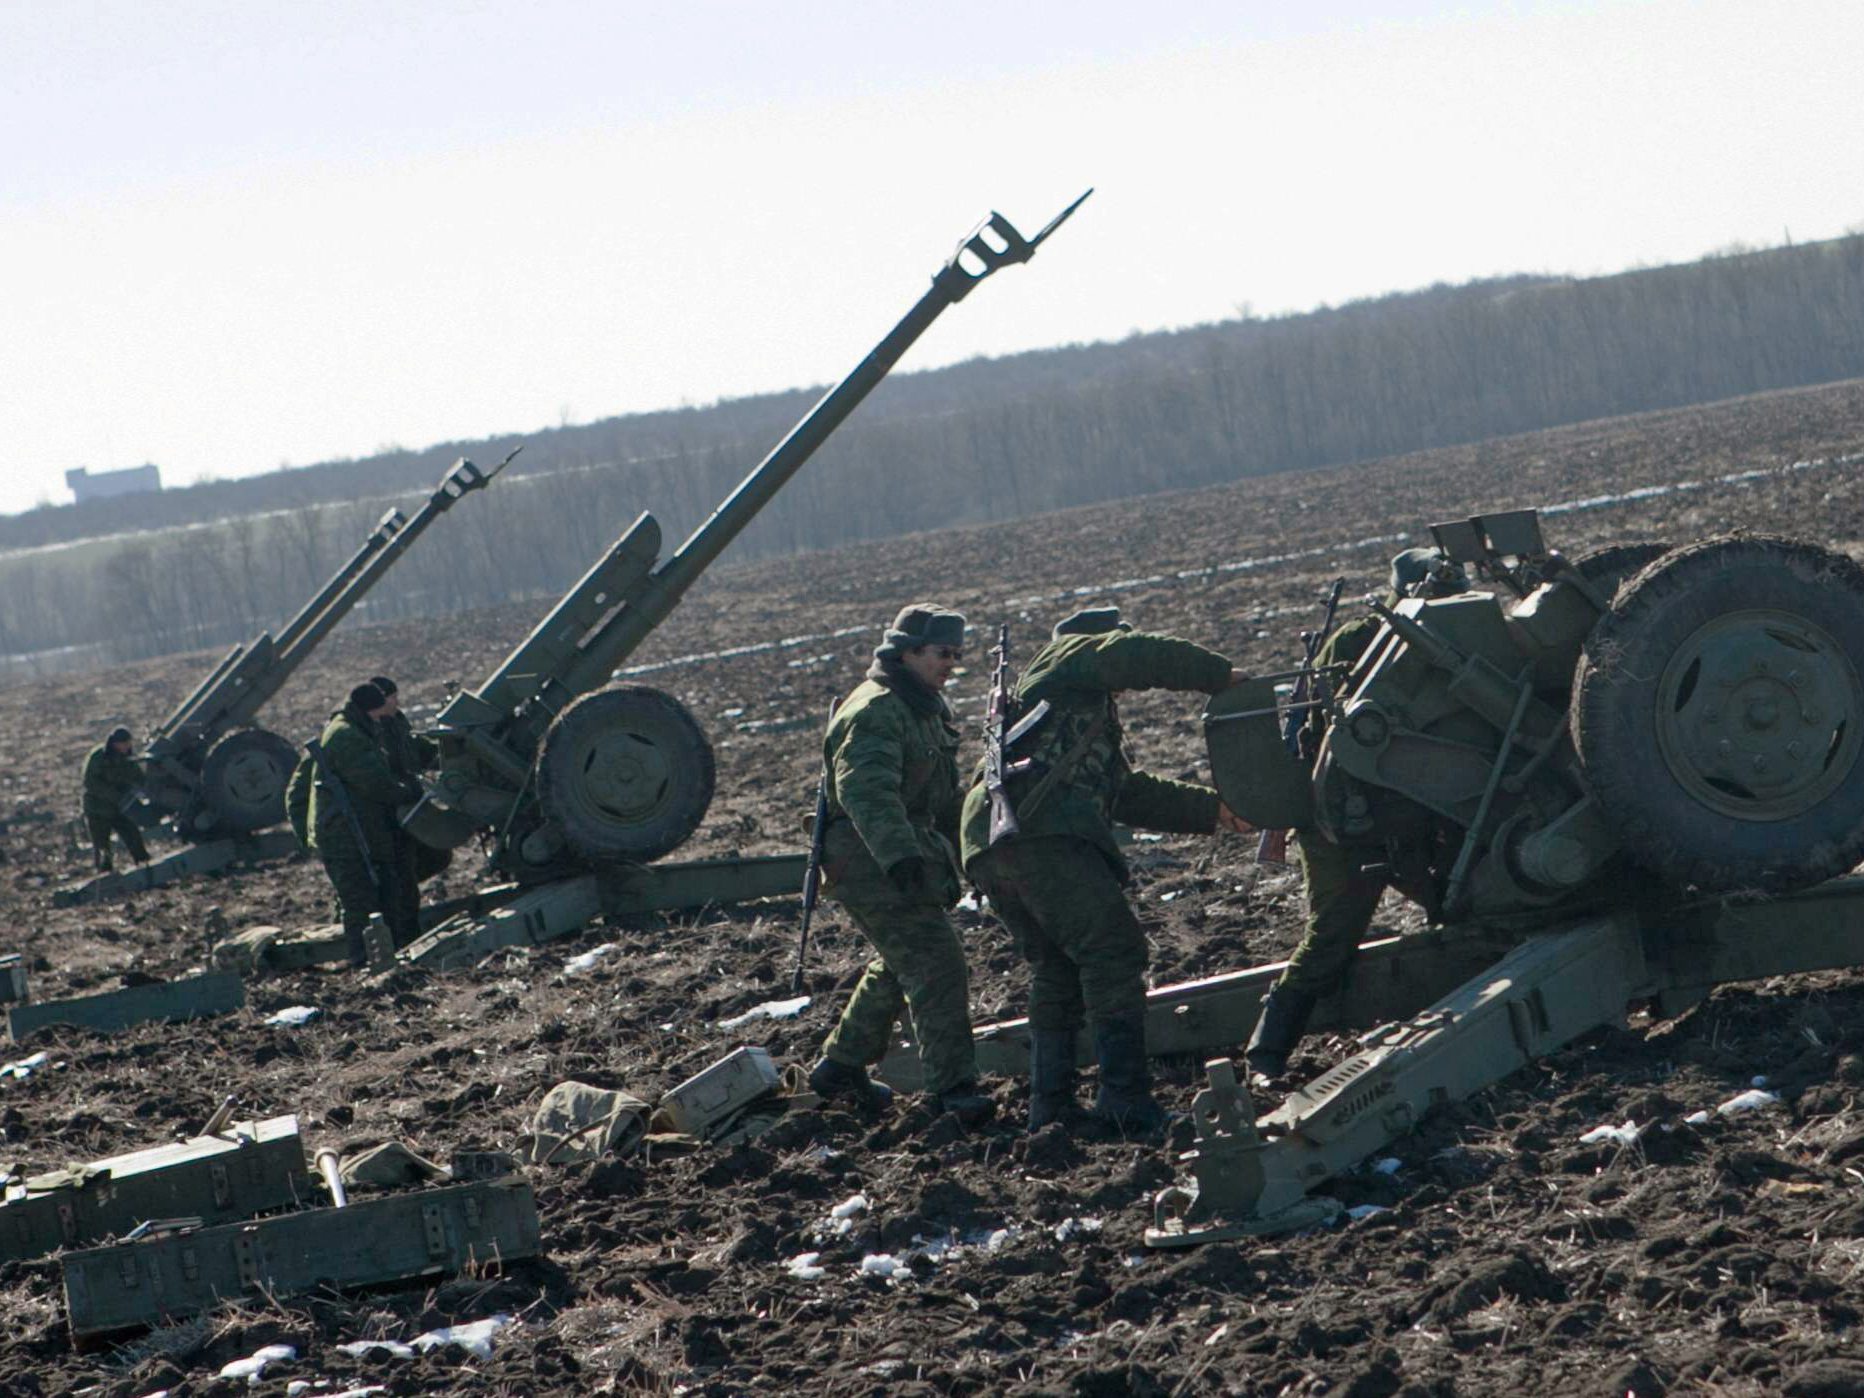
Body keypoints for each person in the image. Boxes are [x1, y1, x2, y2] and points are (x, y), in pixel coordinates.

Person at [961, 606, 1252, 1134]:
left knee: (1057, 968)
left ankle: (1051, 1108)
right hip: (1040, 835)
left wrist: (1214, 811)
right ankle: (1124, 1098)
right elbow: (1131, 654)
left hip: (993, 842)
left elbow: (1126, 792)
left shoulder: (1066, 707)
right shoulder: (1068, 655)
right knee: (1113, 952)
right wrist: (1217, 675)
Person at [1244, 547, 1468, 1078]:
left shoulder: (1457, 633)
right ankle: (1266, 1053)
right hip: (1343, 819)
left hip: (1414, 812)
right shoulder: (1356, 642)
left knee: (1466, 907)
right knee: (1330, 939)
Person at [806, 604, 994, 1125]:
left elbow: (942, 799)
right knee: (936, 961)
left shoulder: (922, 707)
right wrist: (902, 858)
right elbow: (867, 793)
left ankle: (839, 1068)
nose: (952, 664)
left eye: (957, 654)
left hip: (897, 855)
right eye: (943, 653)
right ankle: (952, 1091)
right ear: (908, 653)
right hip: (870, 862)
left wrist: (970, 851)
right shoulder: (877, 710)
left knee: (900, 961)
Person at [309, 683, 424, 967]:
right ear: (372, 708)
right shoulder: (346, 736)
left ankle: (388, 955)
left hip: (363, 829)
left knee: (386, 893)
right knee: (360, 901)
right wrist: (412, 792)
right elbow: (377, 784)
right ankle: (364, 961)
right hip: (345, 836)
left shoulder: (356, 727)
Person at [370, 675, 448, 939]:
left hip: (407, 809)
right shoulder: (369, 732)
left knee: (433, 857)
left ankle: (404, 923)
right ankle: (401, 933)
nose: (397, 702)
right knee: (398, 877)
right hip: (389, 817)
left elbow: (415, 749)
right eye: (392, 698)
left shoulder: (395, 722)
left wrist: (447, 753)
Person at [80, 726, 150, 872]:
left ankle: (145, 867)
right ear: (114, 744)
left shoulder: (128, 759)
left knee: (133, 836)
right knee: (102, 846)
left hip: (118, 809)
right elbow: (90, 782)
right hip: (97, 809)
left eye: (128, 743)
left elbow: (139, 778)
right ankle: (105, 874)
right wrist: (114, 795)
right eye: (124, 744)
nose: (127, 746)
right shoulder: (99, 757)